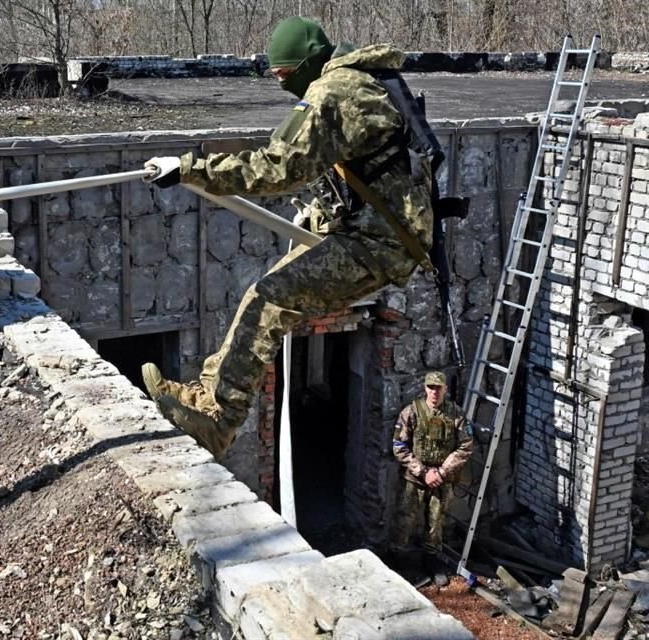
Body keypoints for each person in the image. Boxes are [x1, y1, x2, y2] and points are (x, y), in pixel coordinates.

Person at [140, 17, 436, 460]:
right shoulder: (365, 77)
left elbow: (278, 166)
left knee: (267, 299)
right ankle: (204, 398)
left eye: (283, 76)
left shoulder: (333, 92)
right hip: (372, 227)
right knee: (260, 298)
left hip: (378, 243)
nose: (282, 86)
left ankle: (218, 421)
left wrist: (189, 170)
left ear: (306, 64)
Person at [391, 371, 473, 579]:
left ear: (445, 389)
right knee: (405, 520)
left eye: (438, 388)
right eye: (431, 387)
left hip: (442, 479)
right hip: (415, 477)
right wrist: (423, 471)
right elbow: (399, 446)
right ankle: (397, 561)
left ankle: (432, 561)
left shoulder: (456, 414)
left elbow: (466, 446)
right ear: (425, 388)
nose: (434, 392)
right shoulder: (411, 412)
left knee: (436, 522)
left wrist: (442, 472)